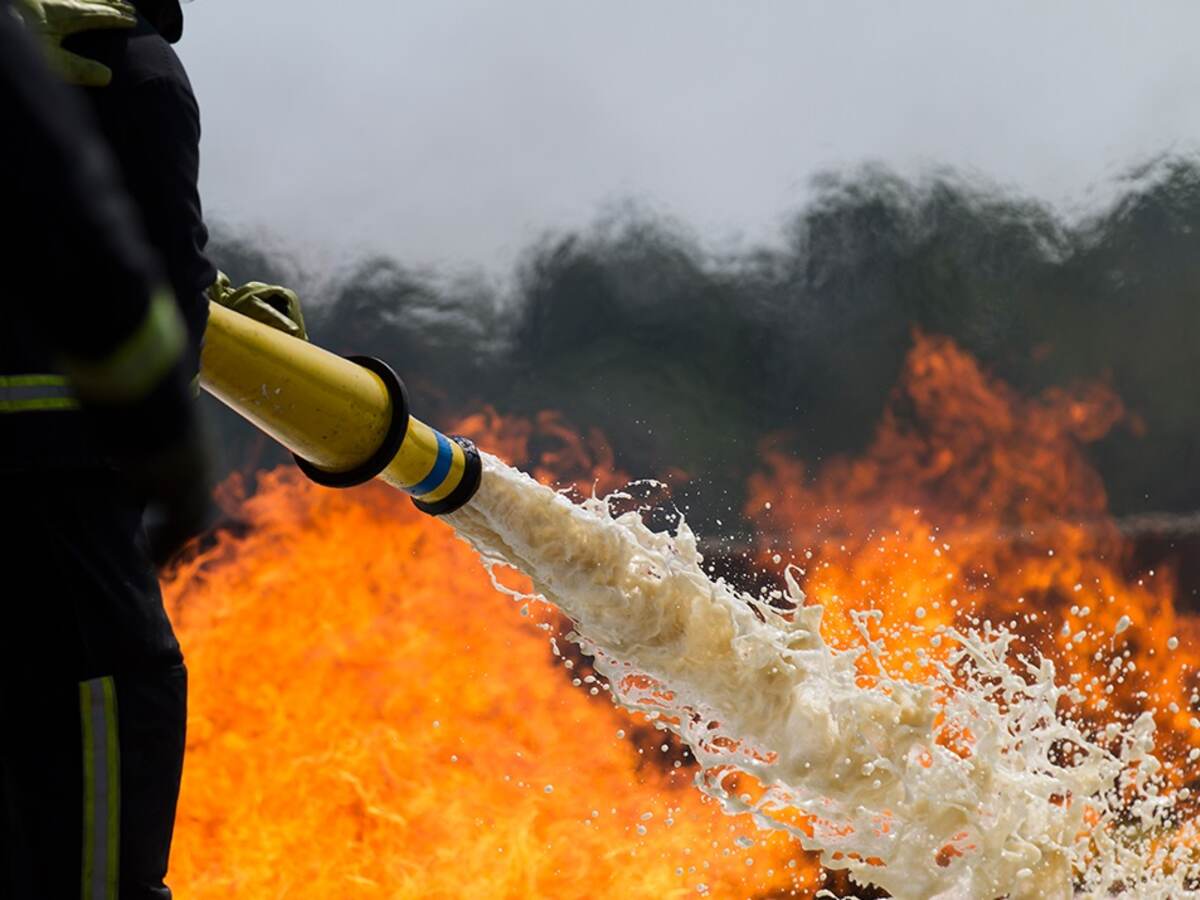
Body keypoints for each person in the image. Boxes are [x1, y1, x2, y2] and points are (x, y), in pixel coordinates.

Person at [0, 1, 213, 897]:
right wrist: (166, 435)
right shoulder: (119, 61)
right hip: (56, 491)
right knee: (108, 719)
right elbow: (122, 263)